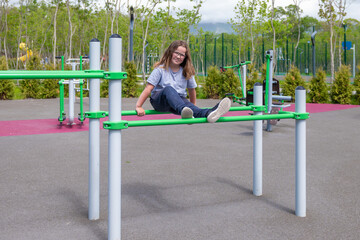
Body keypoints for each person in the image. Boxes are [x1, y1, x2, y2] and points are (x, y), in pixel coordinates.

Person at [135, 40, 231, 123]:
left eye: (182, 55)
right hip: (160, 101)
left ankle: (209, 113)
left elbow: (192, 90)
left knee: (192, 108)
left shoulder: (186, 71)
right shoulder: (160, 69)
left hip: (178, 102)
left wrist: (192, 107)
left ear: (185, 57)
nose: (178, 56)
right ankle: (185, 111)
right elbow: (148, 88)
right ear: (170, 52)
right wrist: (139, 106)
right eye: (177, 53)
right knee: (169, 89)